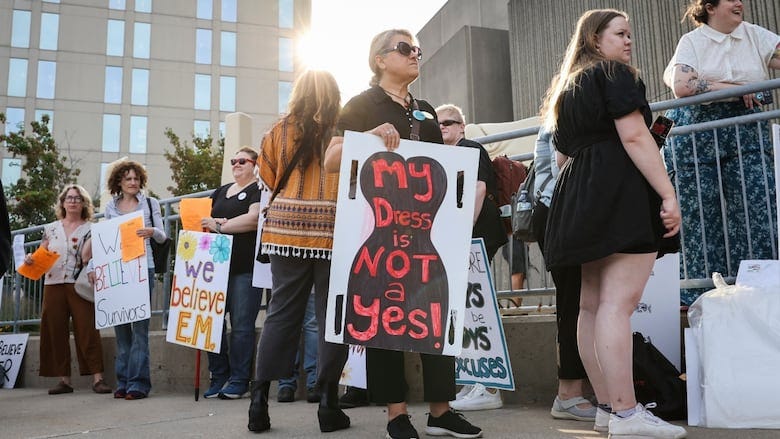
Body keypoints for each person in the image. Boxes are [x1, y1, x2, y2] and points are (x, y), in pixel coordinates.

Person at [324, 30, 483, 439]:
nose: (415, 54)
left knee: (436, 314)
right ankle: (396, 414)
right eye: (404, 48)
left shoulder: (426, 110)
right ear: (379, 59)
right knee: (384, 321)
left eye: (417, 49)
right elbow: (331, 159)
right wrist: (370, 136)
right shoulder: (360, 105)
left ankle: (441, 412)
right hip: (381, 235)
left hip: (427, 236)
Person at [540, 9, 686, 438]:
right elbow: (636, 136)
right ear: (594, 39)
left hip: (578, 195)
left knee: (591, 306)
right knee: (616, 306)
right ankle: (625, 413)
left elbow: (563, 156)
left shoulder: (568, 89)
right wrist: (667, 194)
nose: (628, 41)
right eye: (620, 33)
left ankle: (609, 409)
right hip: (616, 191)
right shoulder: (613, 74)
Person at [248, 69, 349, 434]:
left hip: (285, 230)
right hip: (334, 230)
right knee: (330, 317)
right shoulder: (342, 130)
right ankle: (328, 403)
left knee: (280, 315)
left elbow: (269, 179)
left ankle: (258, 401)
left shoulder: (278, 130)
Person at [663, 0, 780, 306]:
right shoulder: (692, 41)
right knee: (700, 214)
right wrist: (735, 87)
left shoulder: (755, 35)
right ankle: (698, 296)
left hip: (746, 127)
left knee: (759, 207)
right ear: (710, 7)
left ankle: (759, 287)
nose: (740, 2)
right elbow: (683, 86)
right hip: (698, 132)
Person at [436, 103, 505, 412]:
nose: (443, 127)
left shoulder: (470, 148)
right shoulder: (442, 156)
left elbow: (478, 189)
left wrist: (465, 231)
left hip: (476, 231)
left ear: (462, 127)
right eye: (438, 123)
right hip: (463, 234)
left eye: (449, 122)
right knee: (465, 305)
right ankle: (475, 379)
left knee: (477, 305)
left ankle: (487, 387)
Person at [530, 128, 598, 427]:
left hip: (561, 208)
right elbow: (563, 161)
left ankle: (574, 391)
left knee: (580, 302)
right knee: (575, 302)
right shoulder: (568, 110)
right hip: (561, 208)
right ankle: (569, 393)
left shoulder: (562, 106)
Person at [30, 185, 112, 395]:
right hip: (53, 283)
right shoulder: (51, 228)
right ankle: (63, 380)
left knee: (87, 329)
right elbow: (42, 252)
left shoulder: (91, 228)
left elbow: (96, 256)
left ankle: (97, 378)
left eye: (77, 198)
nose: (73, 201)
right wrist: (31, 260)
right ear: (62, 202)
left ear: (84, 203)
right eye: (69, 198)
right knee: (55, 330)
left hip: (80, 283)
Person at [200, 147, 263, 399]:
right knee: (210, 323)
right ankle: (219, 375)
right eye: (233, 160)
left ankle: (239, 380)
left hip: (245, 268)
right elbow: (201, 221)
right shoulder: (221, 191)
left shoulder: (258, 189)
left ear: (254, 165)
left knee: (241, 326)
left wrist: (220, 225)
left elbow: (254, 219)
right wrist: (217, 225)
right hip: (215, 269)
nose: (236, 164)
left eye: (242, 161)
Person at [103, 161, 167, 400]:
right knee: (121, 329)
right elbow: (105, 241)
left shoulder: (150, 204)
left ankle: (139, 384)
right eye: (128, 179)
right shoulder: (111, 207)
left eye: (136, 179)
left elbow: (162, 237)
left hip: (143, 267)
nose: (132, 183)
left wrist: (151, 231)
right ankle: (123, 381)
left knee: (140, 329)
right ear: (119, 181)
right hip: (118, 271)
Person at [276, 290, 320, 403]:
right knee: (313, 326)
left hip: (287, 278)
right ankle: (314, 383)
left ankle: (287, 383)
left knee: (289, 325)